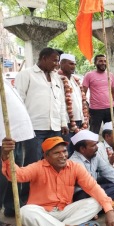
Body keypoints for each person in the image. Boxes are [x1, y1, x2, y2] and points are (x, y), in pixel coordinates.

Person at [1, 137, 114, 226]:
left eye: (64, 151)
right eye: (57, 153)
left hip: (64, 211)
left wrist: (109, 208)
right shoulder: (37, 167)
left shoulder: (75, 167)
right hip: (42, 213)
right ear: (46, 156)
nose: (63, 156)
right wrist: (6, 157)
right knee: (25, 211)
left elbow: (93, 187)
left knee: (96, 202)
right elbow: (17, 175)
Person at [14, 47, 68, 210]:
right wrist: (21, 126)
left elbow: (61, 102)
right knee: (34, 165)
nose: (57, 64)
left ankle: (51, 197)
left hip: (55, 127)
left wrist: (63, 122)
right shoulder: (27, 74)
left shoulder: (56, 78)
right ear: (43, 58)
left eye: (58, 61)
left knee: (55, 164)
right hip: (34, 128)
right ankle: (27, 201)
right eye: (54, 60)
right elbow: (19, 101)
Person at [0, 78, 34, 226]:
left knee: (11, 174)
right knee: (1, 178)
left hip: (16, 135)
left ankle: (11, 207)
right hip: (4, 138)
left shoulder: (4, 81)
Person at [69, 130, 114, 201]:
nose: (97, 148)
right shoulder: (74, 162)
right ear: (82, 149)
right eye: (93, 145)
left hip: (94, 187)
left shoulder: (94, 155)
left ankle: (101, 204)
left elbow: (108, 171)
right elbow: (88, 185)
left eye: (96, 144)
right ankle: (104, 203)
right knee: (93, 197)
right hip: (82, 193)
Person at [58, 54, 88, 156]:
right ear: (61, 64)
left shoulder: (75, 80)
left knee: (79, 150)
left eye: (74, 64)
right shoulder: (58, 79)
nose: (73, 66)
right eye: (70, 64)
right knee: (67, 151)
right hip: (67, 122)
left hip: (80, 119)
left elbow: (81, 100)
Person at [82, 55, 114, 134]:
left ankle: (108, 147)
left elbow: (113, 92)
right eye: (100, 61)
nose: (103, 63)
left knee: (111, 133)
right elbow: (83, 93)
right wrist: (85, 108)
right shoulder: (89, 75)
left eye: (105, 61)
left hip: (110, 108)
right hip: (95, 110)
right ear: (95, 63)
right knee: (93, 133)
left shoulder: (110, 75)